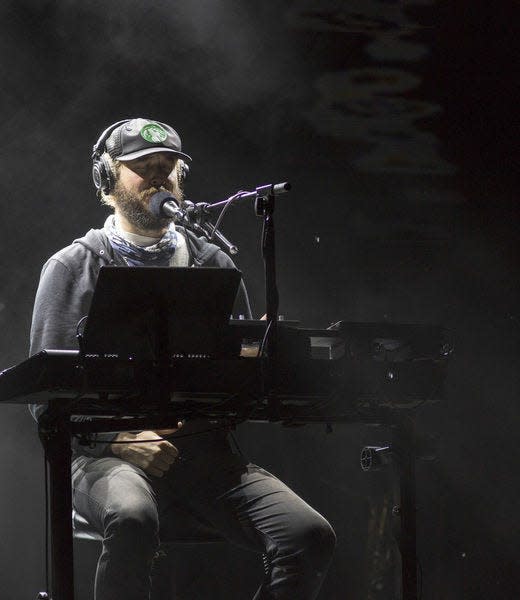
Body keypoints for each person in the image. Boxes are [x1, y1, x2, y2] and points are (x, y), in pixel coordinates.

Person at [29, 118, 336, 600]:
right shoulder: (73, 266)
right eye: (143, 167)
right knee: (132, 517)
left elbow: (239, 372)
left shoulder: (215, 262)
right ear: (107, 181)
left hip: (203, 459)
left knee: (308, 536)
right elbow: (44, 395)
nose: (158, 176)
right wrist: (122, 438)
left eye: (167, 167)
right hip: (106, 456)